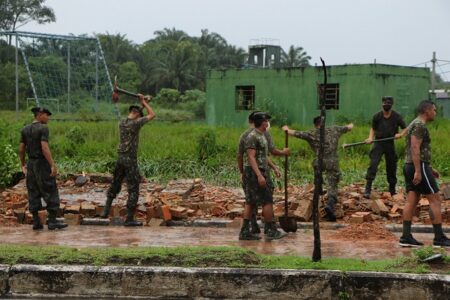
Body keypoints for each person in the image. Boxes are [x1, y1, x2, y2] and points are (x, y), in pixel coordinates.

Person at [399, 100, 450, 247]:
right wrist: (419, 170)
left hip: (411, 165)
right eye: (434, 110)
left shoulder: (414, 123)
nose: (435, 112)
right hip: (417, 166)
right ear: (427, 111)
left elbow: (416, 149)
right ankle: (439, 238)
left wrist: (429, 168)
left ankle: (406, 236)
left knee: (412, 200)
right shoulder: (420, 125)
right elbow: (415, 147)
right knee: (435, 199)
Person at [283, 117, 353, 221]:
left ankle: (318, 188)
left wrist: (286, 129)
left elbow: (296, 133)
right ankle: (330, 204)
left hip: (319, 162)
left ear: (315, 125)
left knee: (317, 171)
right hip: (332, 162)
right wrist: (350, 124)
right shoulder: (335, 129)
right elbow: (349, 127)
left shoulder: (312, 133)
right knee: (332, 184)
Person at [100, 94, 155, 226]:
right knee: (133, 188)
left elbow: (138, 114)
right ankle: (129, 218)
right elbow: (152, 114)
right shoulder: (136, 124)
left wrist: (143, 102)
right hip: (130, 160)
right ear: (136, 114)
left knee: (115, 183)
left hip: (120, 159)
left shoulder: (122, 123)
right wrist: (144, 102)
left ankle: (106, 210)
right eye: (139, 114)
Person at [237, 111, 289, 234]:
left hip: (256, 170)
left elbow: (263, 156)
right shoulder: (252, 136)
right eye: (265, 121)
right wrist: (257, 174)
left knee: (251, 201)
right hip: (256, 171)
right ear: (260, 122)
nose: (267, 123)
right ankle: (268, 228)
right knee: (266, 200)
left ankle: (249, 229)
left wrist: (274, 167)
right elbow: (250, 157)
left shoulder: (262, 135)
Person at [19, 107, 68, 230]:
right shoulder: (43, 128)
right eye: (47, 115)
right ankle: (52, 221)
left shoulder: (25, 129)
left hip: (31, 164)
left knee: (33, 190)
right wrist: (52, 164)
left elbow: (21, 149)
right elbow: (44, 147)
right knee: (50, 189)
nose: (48, 118)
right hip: (41, 163)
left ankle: (36, 222)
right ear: (40, 115)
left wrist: (23, 164)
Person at [363, 96, 407, 198]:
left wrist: (400, 134)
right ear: (382, 104)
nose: (386, 105)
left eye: (388, 104)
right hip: (378, 143)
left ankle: (392, 190)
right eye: (384, 104)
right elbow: (373, 129)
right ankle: (367, 188)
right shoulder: (377, 116)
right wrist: (370, 138)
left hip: (389, 143)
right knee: (373, 164)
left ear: (391, 105)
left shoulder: (396, 116)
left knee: (391, 166)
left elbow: (405, 128)